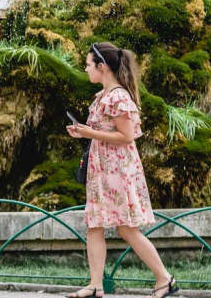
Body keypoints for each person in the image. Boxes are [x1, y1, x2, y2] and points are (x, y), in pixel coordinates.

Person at [65, 42, 176, 298]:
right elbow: (105, 132)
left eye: (88, 64)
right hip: (102, 168)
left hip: (117, 170)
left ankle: (164, 278)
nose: (85, 68)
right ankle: (95, 285)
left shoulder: (118, 96)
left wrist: (88, 132)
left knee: (126, 228)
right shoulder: (103, 96)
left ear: (101, 66)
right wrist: (83, 132)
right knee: (95, 224)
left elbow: (126, 136)